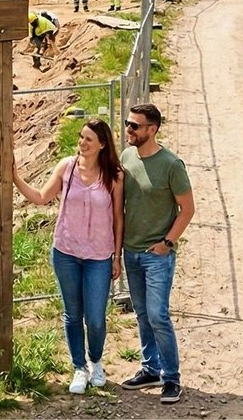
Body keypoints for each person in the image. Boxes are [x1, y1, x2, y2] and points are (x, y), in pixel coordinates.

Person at [13, 120, 125, 395]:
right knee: (72, 314)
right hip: (65, 252)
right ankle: (79, 368)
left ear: (102, 144)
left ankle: (96, 361)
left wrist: (116, 256)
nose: (82, 143)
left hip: (99, 255)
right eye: (81, 137)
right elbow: (41, 197)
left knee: (96, 317)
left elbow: (118, 218)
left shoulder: (115, 176)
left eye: (89, 139)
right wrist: (15, 177)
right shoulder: (67, 167)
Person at [119, 103, 194, 406]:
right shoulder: (126, 157)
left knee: (158, 315)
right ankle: (150, 369)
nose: (129, 130)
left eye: (135, 126)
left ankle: (171, 378)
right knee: (142, 314)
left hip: (157, 255)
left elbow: (187, 210)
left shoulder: (171, 165)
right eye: (128, 123)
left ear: (152, 129)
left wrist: (168, 243)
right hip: (131, 251)